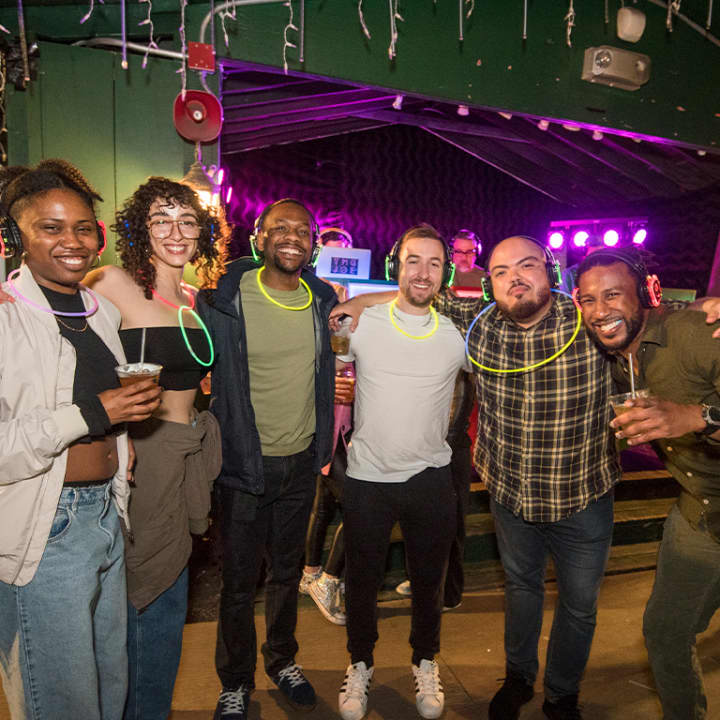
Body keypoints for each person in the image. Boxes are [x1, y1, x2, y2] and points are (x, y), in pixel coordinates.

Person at [336, 234, 620, 720]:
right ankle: (514, 679)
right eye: (502, 271)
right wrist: (357, 302)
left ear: (550, 270)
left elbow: (641, 319)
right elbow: (415, 294)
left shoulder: (584, 321)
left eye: (527, 266)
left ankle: (559, 696)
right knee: (520, 592)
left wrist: (703, 308)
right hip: (508, 493)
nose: (515, 278)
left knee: (577, 606)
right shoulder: (474, 323)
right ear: (488, 282)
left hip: (580, 492)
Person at [0, 159, 161, 720]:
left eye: (83, 228)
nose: (72, 241)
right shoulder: (6, 318)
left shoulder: (102, 313)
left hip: (107, 515)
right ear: (15, 236)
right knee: (64, 698)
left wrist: (122, 439)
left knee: (109, 683)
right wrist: (95, 412)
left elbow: (108, 411)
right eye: (51, 227)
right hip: (46, 526)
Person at [85, 177, 226, 720]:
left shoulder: (193, 299)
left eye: (187, 221)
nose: (175, 231)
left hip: (188, 457)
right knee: (148, 592)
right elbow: (60, 329)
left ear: (201, 232)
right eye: (161, 220)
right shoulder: (114, 282)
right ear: (139, 230)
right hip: (143, 454)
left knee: (170, 589)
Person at [196, 198, 338, 720]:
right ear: (259, 237)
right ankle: (235, 681)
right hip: (242, 466)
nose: (291, 236)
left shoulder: (323, 300)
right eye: (280, 228)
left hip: (300, 463)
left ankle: (282, 660)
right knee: (238, 584)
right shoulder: (224, 298)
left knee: (286, 574)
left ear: (313, 243)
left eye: (303, 229)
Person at [575, 247, 720, 720]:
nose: (600, 311)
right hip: (700, 510)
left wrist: (697, 417)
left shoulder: (697, 334)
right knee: (666, 631)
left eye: (613, 295)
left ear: (645, 293)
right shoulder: (616, 353)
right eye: (588, 299)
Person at [335, 224, 467, 720]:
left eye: (435, 263)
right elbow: (329, 355)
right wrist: (359, 302)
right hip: (367, 478)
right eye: (414, 260)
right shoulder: (362, 322)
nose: (423, 272)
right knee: (362, 583)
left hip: (431, 479)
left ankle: (425, 661)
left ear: (445, 272)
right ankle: (360, 664)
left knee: (428, 585)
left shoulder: (456, 334)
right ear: (397, 265)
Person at [301, 225, 355, 625]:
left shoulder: (356, 302)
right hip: (319, 421)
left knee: (325, 503)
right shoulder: (309, 299)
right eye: (332, 254)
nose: (338, 263)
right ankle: (327, 578)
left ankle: (312, 573)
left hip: (347, 420)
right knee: (357, 507)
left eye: (344, 256)